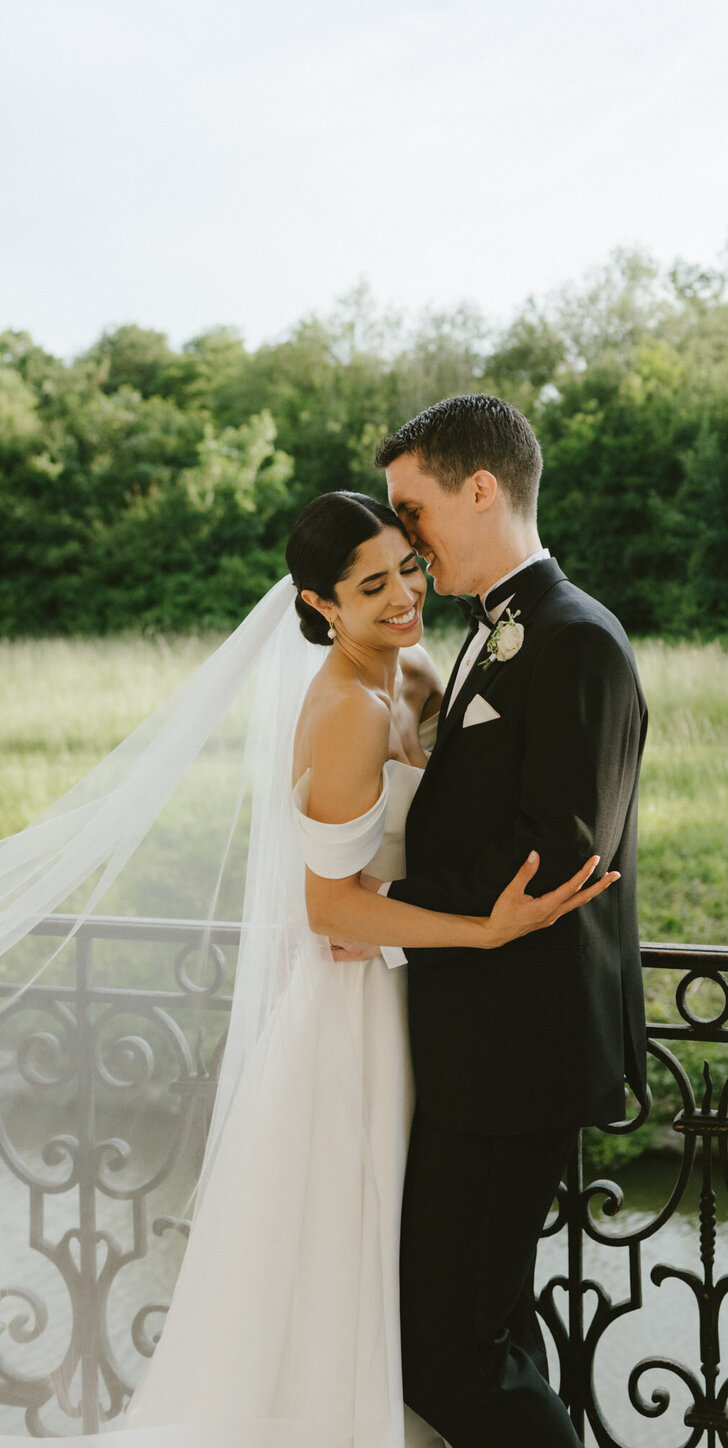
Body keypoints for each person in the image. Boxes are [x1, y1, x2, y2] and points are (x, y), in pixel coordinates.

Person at [0, 488, 616, 1448]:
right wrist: (487, 933)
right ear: (321, 605)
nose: (405, 595)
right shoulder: (341, 710)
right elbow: (329, 910)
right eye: (372, 586)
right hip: (352, 1013)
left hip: (420, 1000)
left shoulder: (417, 668)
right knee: (349, 1273)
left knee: (435, 1288)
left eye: (409, 567)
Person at [369, 393, 649, 1448]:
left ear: (480, 488)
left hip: (516, 1048)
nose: (405, 537)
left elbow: (557, 853)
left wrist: (384, 909)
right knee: (483, 1331)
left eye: (414, 508)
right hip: (479, 1041)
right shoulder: (494, 633)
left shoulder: (577, 639)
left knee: (445, 1349)